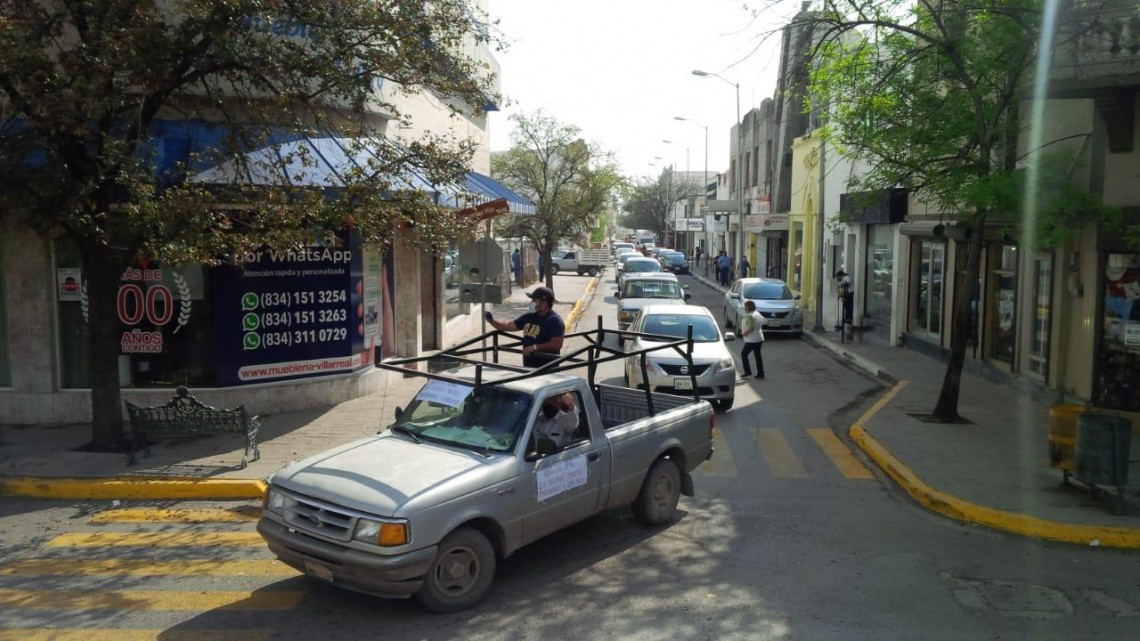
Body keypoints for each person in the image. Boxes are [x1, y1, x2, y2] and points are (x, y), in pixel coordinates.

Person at [486, 286, 565, 368]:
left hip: (547, 370)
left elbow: (557, 344)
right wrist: (491, 320)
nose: (531, 302)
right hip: (528, 368)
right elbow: (508, 326)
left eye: (534, 300)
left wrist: (535, 347)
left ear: (544, 303)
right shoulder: (529, 317)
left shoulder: (554, 321)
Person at [738, 300, 766, 379]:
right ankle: (761, 373)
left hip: (752, 340)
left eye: (745, 307)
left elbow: (751, 327)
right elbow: (764, 321)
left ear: (748, 307)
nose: (745, 308)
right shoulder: (757, 313)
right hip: (759, 338)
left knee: (744, 354)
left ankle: (747, 372)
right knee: (758, 356)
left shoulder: (750, 316)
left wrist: (745, 333)